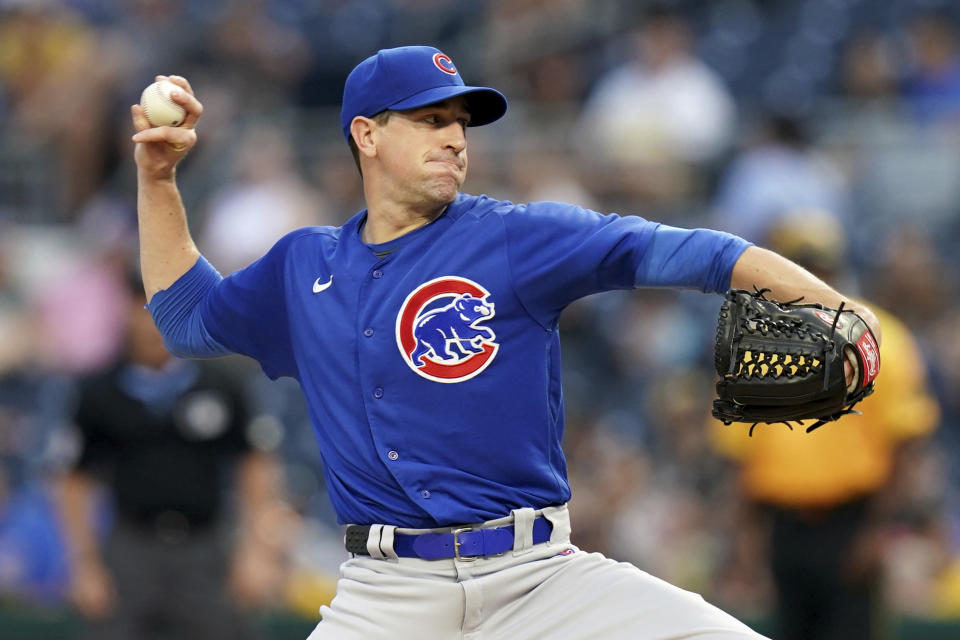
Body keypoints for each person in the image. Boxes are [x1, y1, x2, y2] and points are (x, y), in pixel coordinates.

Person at [129, 45, 881, 639]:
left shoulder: (518, 238)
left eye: (459, 122)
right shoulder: (301, 265)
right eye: (428, 120)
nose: (455, 138)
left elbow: (693, 253)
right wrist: (159, 181)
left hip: (541, 581)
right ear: (366, 133)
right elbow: (186, 320)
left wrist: (834, 304)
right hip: (387, 597)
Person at [710, 212, 939, 640]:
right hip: (782, 524)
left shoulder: (878, 337)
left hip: (850, 520)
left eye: (817, 266)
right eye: (796, 265)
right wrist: (746, 538)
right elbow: (740, 454)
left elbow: (905, 444)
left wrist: (877, 530)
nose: (807, 277)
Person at [55, 273, 286, 640]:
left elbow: (255, 466)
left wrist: (257, 551)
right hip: (130, 550)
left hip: (206, 548)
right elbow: (73, 480)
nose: (154, 323)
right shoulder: (98, 391)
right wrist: (84, 564)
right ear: (126, 311)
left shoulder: (222, 382)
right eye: (145, 309)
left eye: (165, 308)